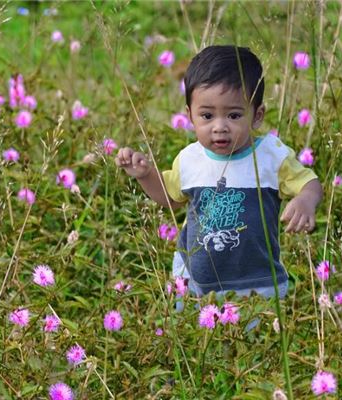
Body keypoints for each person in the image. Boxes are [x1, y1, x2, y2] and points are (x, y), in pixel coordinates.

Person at [115, 45, 323, 308]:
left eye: (234, 115)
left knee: (254, 344)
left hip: (257, 283)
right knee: (194, 340)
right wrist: (145, 175)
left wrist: (306, 199)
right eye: (207, 115)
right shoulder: (191, 158)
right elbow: (171, 199)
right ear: (190, 115)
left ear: (257, 116)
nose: (220, 127)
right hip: (193, 281)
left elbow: (310, 182)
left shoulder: (272, 156)